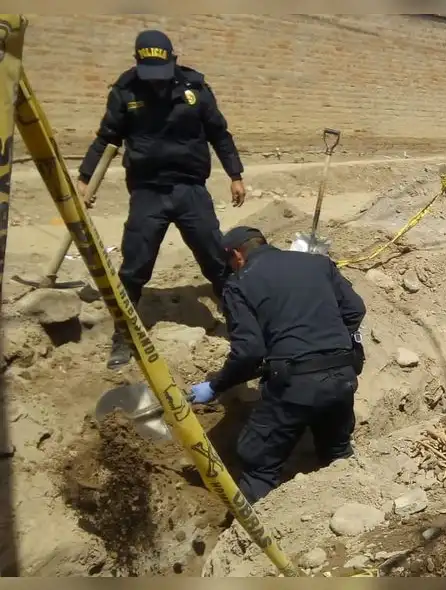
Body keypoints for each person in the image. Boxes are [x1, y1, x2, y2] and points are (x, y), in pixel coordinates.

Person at [76, 29, 247, 369]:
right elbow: (106, 137)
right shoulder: (126, 91)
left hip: (190, 190)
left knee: (216, 258)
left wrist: (235, 174)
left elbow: (218, 133)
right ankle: (123, 337)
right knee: (135, 265)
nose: (156, 82)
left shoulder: (195, 89)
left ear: (173, 60)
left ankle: (242, 324)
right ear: (139, 64)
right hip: (147, 192)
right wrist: (84, 179)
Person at [188, 227, 367, 504]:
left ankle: (255, 540)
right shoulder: (317, 263)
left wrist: (215, 385)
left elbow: (248, 351)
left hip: (294, 385)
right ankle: (353, 512)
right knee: (337, 452)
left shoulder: (239, 284)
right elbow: (355, 309)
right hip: (342, 376)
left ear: (236, 255)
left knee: (258, 461)